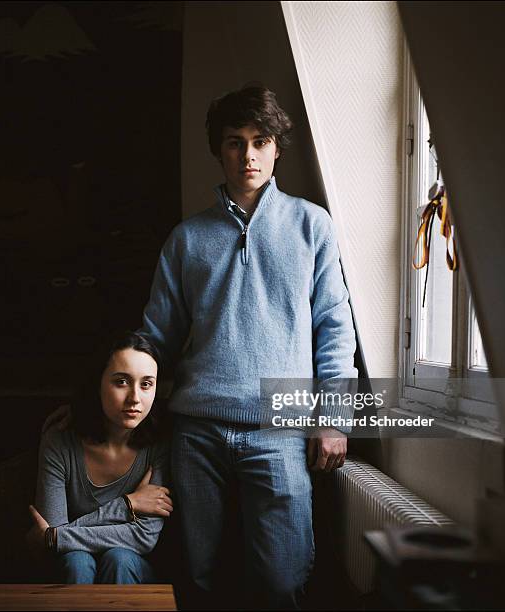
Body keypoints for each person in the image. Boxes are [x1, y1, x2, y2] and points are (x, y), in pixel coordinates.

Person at [136, 84, 358, 609]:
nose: (249, 154)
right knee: (199, 576)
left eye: (261, 141)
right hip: (196, 431)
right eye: (235, 142)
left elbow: (335, 327)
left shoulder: (312, 225)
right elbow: (154, 338)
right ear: (220, 150)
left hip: (281, 429)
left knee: (282, 580)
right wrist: (98, 404)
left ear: (278, 147)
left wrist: (334, 417)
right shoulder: (187, 239)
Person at [27, 332, 172, 584]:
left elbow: (144, 537)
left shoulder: (159, 445)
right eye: (121, 382)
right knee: (77, 560)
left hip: (129, 569)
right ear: (97, 384)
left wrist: (56, 537)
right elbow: (52, 537)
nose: (135, 398)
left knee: (120, 558)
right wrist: (127, 505)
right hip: (71, 566)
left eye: (146, 384)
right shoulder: (60, 440)